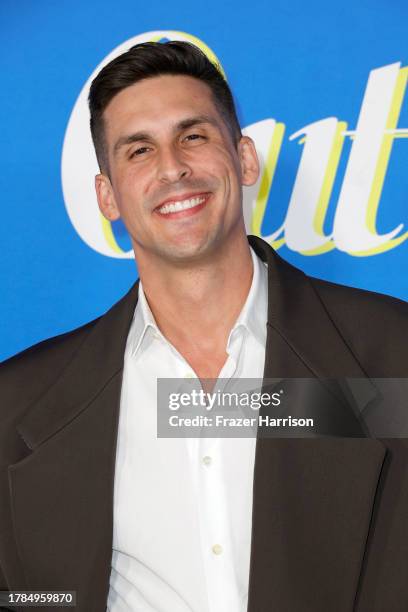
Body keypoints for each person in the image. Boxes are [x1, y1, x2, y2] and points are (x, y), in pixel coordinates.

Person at [0, 41, 407, 612]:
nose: (172, 168)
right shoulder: (18, 403)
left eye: (193, 136)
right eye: (138, 151)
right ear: (107, 196)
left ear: (243, 159)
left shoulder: (391, 355)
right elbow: (31, 596)